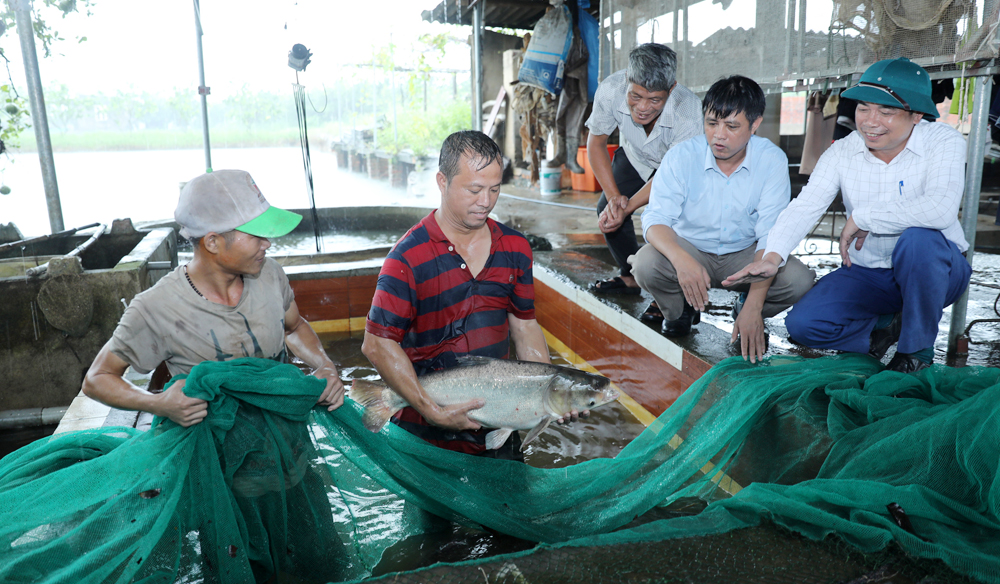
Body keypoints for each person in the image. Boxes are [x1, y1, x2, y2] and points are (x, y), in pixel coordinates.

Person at [723, 57, 971, 373]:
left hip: (937, 271)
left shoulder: (942, 141)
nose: (870, 120)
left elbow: (941, 208)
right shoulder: (843, 151)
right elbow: (805, 206)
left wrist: (864, 218)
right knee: (803, 325)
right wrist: (772, 257)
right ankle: (884, 327)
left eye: (887, 111)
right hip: (869, 271)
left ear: (916, 115)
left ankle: (915, 353)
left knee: (918, 240)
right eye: (864, 108)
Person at [362, 131, 579, 461]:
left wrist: (548, 394)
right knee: (431, 514)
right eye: (474, 190)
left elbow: (524, 326)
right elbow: (377, 344)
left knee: (510, 510)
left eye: (494, 189)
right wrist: (430, 409)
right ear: (442, 181)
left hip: (498, 415)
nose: (486, 201)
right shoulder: (407, 258)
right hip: (425, 433)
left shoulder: (515, 247)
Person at [83, 169, 345, 425]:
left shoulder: (269, 274)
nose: (267, 243)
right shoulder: (156, 307)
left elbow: (295, 327)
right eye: (256, 235)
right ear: (212, 242)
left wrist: (324, 365)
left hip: (283, 434)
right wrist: (159, 403)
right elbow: (97, 378)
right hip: (212, 450)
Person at [629, 75, 816, 362]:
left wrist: (755, 304)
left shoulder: (771, 161)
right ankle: (679, 310)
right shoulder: (681, 156)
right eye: (712, 123)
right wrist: (681, 260)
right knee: (646, 264)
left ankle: (745, 309)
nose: (719, 135)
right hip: (690, 248)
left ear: (754, 125)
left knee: (798, 279)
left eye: (732, 126)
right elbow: (655, 220)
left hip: (745, 255)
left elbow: (772, 234)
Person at [585, 43, 703, 324]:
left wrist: (628, 206)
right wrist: (615, 199)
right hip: (637, 156)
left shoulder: (688, 111)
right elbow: (596, 143)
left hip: (677, 168)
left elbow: (669, 176)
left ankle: (675, 297)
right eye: (636, 96)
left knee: (674, 223)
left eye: (655, 100)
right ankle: (632, 277)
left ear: (671, 89)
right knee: (607, 208)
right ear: (627, 80)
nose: (643, 108)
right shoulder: (611, 89)